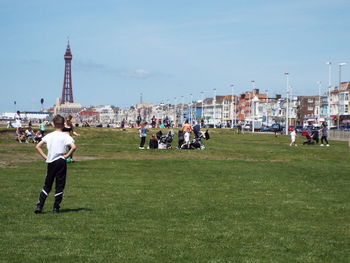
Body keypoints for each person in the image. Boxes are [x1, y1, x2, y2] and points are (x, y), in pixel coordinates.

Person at [34, 115, 77, 214]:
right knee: (60, 185)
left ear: (53, 124)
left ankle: (39, 206)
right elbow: (73, 147)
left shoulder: (49, 135)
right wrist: (66, 156)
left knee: (47, 185)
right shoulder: (66, 136)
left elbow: (37, 146)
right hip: (61, 161)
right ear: (63, 125)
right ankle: (56, 208)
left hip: (51, 161)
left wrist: (45, 157)